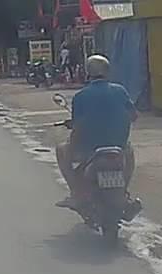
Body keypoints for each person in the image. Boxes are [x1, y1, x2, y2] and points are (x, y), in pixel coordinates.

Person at [55, 54, 141, 219]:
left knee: (61, 150)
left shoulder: (81, 96)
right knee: (129, 152)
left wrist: (74, 135)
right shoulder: (120, 90)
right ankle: (123, 193)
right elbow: (134, 116)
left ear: (88, 73)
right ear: (108, 72)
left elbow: (78, 126)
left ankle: (76, 194)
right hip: (118, 147)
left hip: (89, 149)